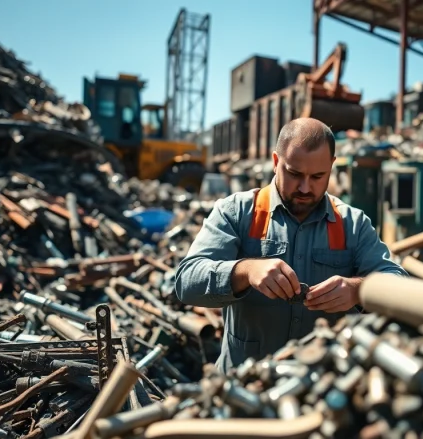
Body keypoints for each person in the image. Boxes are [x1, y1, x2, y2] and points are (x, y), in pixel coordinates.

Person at [171, 117, 407, 373]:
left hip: (319, 389)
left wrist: (357, 290)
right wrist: (246, 272)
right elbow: (186, 282)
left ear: (332, 167)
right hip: (242, 386)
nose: (305, 187)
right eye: (294, 174)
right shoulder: (236, 212)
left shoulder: (352, 224)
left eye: (318, 176)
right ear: (275, 163)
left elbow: (398, 284)